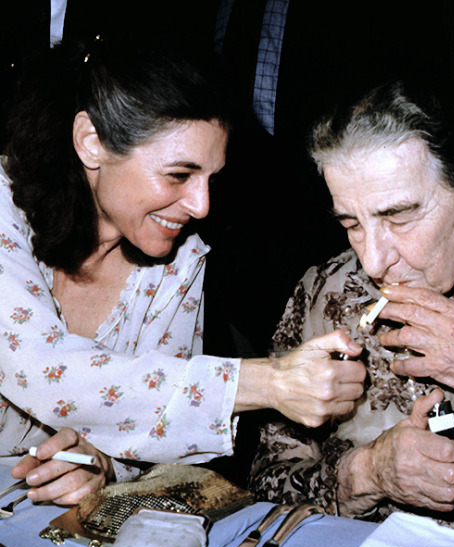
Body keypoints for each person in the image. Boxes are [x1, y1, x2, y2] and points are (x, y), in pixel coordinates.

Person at [0, 34, 362, 506]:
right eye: (178, 175)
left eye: (211, 178)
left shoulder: (179, 260)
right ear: (92, 143)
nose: (201, 205)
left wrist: (100, 464)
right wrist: (270, 382)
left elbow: (156, 440)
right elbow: (40, 370)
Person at [248, 79, 454, 540]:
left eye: (398, 216)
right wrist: (369, 474)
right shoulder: (328, 291)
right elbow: (266, 483)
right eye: (351, 223)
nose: (373, 260)